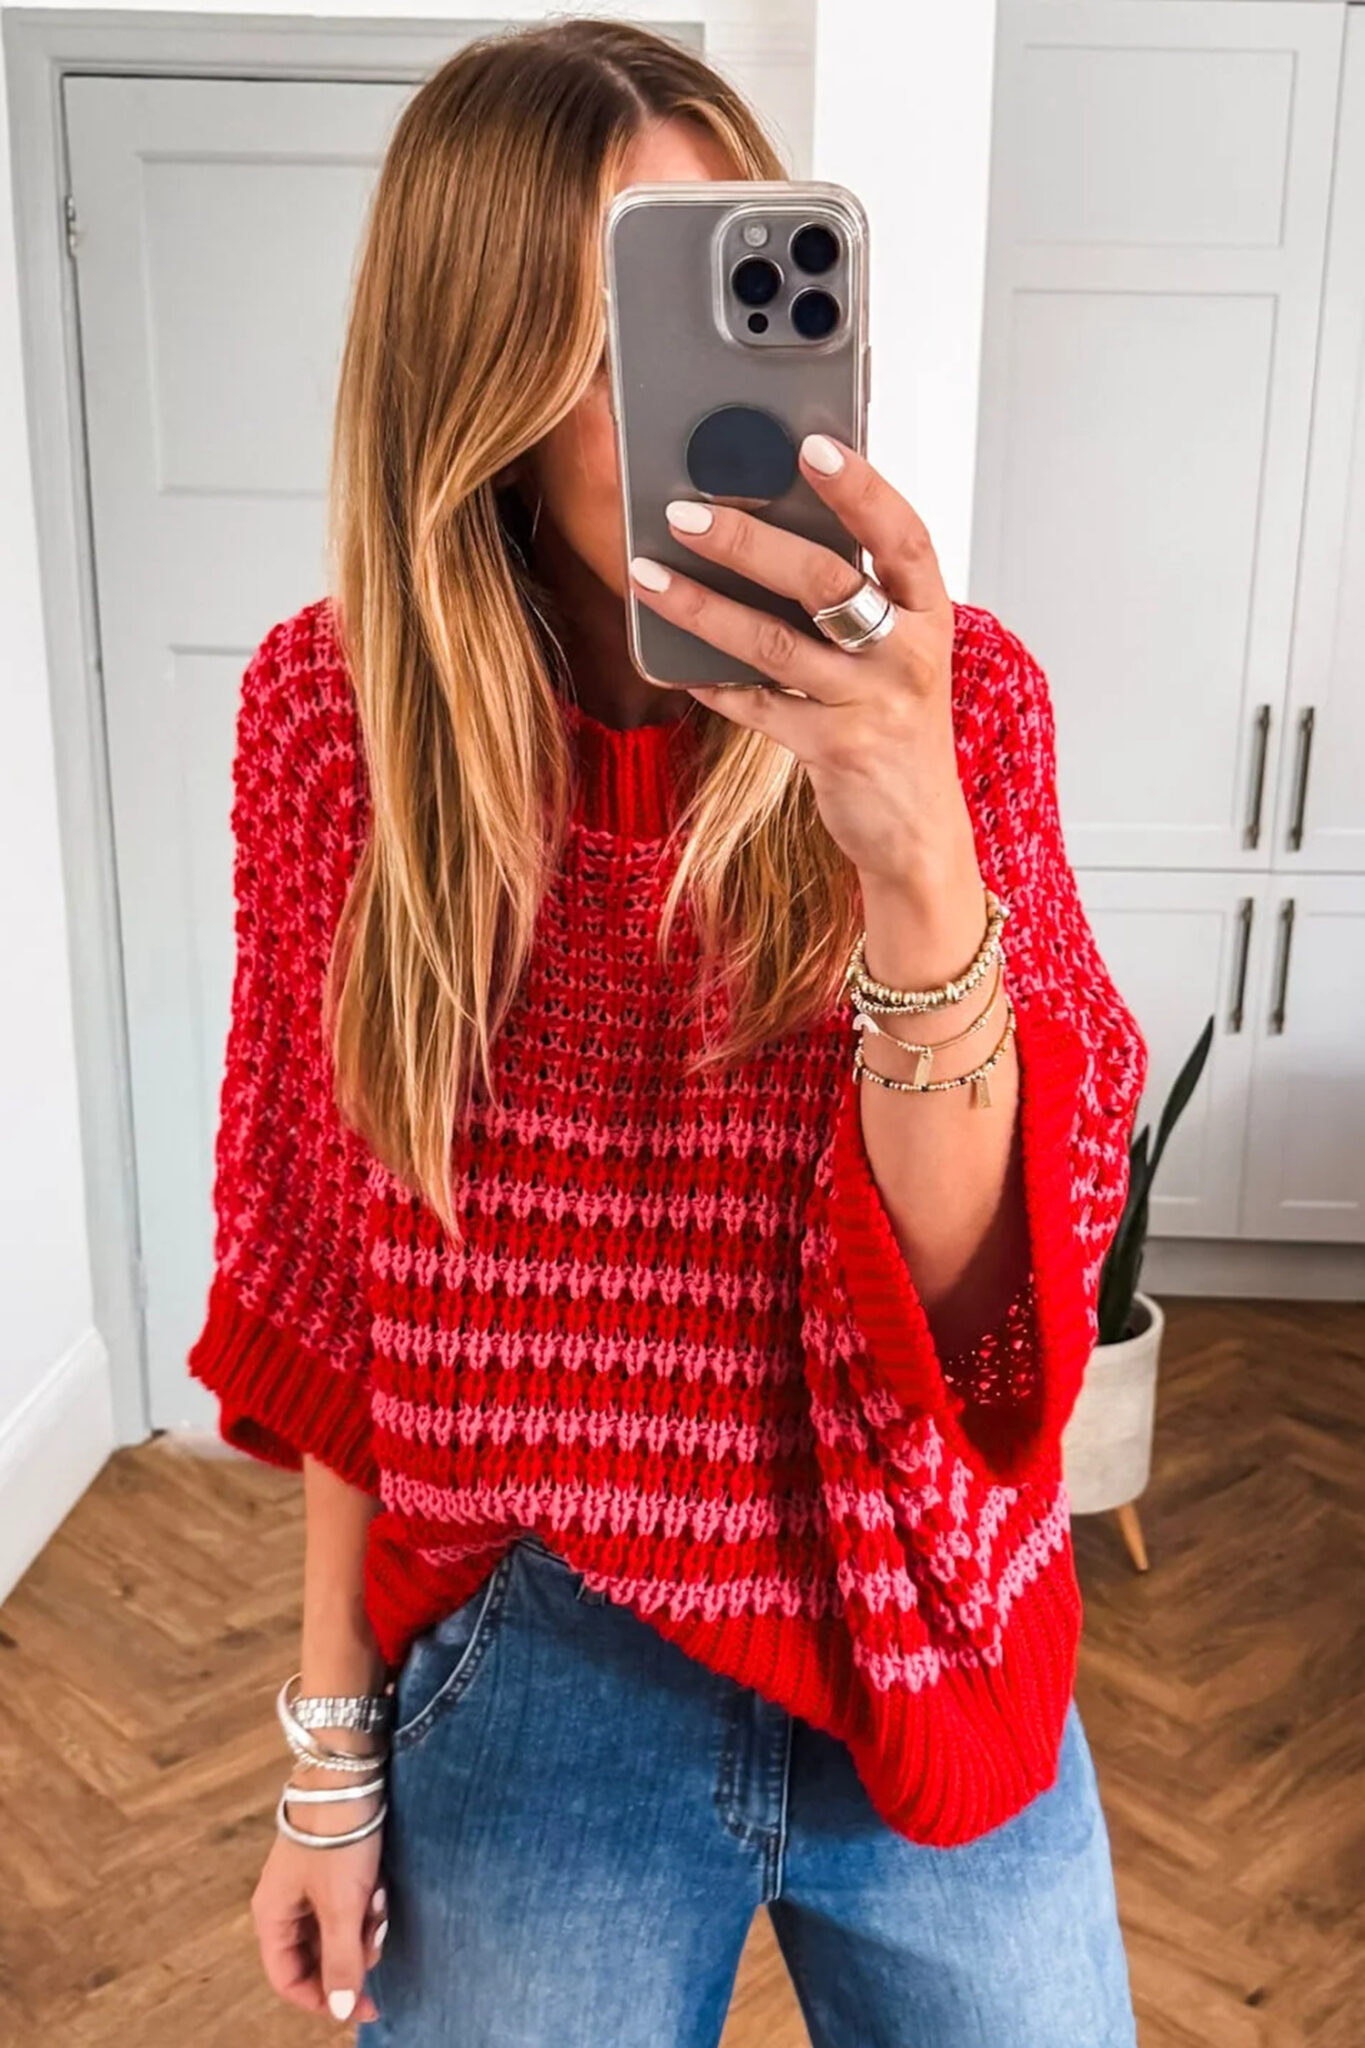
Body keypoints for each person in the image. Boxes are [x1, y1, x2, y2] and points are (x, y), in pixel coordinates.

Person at [186, 17, 1148, 2046]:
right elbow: (340, 1305)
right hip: (540, 1662)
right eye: (629, 324)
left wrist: (915, 866)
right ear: (480, 380)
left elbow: (991, 1310)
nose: (708, 401)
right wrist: (324, 1758)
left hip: (934, 1635)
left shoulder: (957, 710)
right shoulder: (334, 732)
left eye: (743, 299)